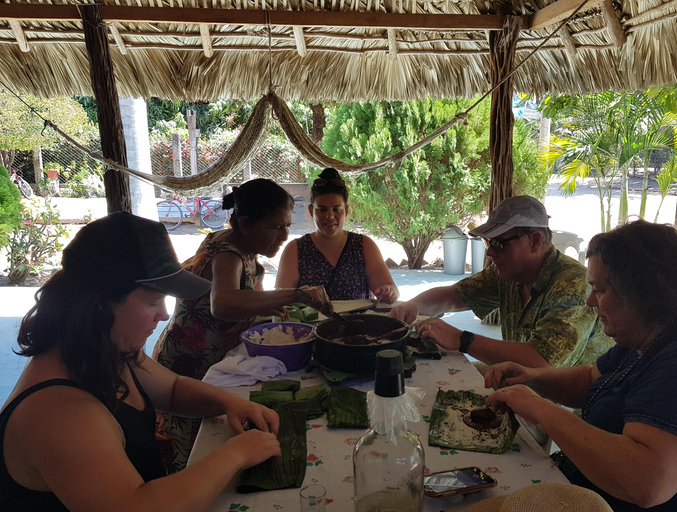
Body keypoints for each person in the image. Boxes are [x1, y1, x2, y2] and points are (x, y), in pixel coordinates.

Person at [0, 212, 282, 512]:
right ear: (99, 305)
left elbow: (172, 389)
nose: (163, 314)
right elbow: (135, 506)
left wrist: (230, 404)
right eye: (152, 301)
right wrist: (235, 455)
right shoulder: (59, 413)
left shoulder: (106, 349)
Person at [485, 220, 677, 511]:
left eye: (600, 290)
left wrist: (540, 408)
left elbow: (645, 484)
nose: (590, 301)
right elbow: (590, 380)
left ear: (642, 293)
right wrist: (533, 378)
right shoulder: (653, 335)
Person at [153, 178, 332, 472]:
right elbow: (221, 304)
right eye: (276, 227)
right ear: (246, 223)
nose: (284, 235)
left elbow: (242, 296)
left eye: (287, 225)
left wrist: (265, 306)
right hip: (191, 366)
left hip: (208, 360)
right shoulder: (227, 254)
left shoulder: (242, 246)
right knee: (188, 451)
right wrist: (296, 293)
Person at [390, 195, 612, 369]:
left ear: (534, 240)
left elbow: (542, 363)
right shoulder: (509, 273)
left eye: (499, 243)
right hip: (526, 381)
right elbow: (455, 296)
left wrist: (462, 339)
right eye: (489, 242)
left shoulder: (572, 286)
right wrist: (414, 305)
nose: (490, 253)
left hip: (572, 403)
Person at [276, 168, 399, 303]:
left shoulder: (364, 245)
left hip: (358, 323)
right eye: (322, 210)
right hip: (309, 324)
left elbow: (390, 287)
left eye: (336, 209)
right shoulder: (295, 250)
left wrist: (389, 291)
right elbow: (280, 299)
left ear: (346, 211)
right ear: (311, 211)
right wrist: (297, 295)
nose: (330, 216)